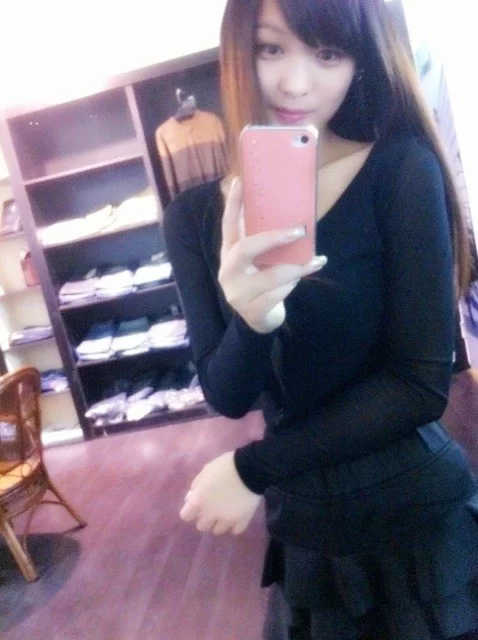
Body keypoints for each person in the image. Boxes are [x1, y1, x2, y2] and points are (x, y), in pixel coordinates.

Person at [163, 0, 478, 638]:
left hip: (418, 521)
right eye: (271, 48)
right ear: (239, 49)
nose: (295, 82)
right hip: (306, 535)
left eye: (328, 53)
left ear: (362, 61)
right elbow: (228, 394)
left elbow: (419, 385)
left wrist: (252, 469)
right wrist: (253, 320)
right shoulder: (194, 218)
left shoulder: (399, 169)